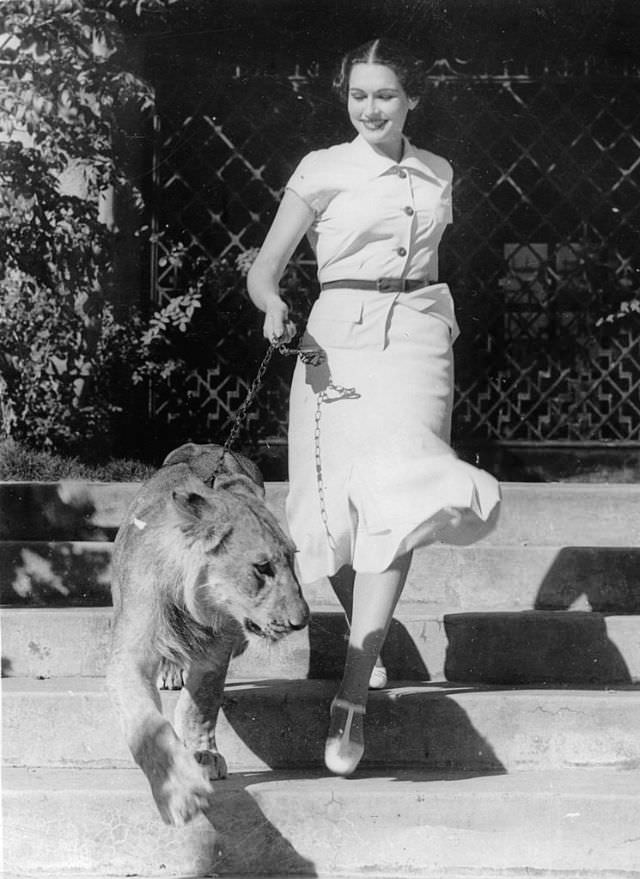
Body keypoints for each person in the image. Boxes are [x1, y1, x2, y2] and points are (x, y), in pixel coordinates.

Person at [247, 38, 500, 777]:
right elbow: (264, 268)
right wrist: (271, 305)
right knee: (328, 511)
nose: (371, 108)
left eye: (385, 95)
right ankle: (372, 637)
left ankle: (352, 694)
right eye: (359, 95)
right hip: (335, 342)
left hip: (418, 337)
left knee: (403, 485)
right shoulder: (322, 169)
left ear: (411, 99)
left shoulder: (438, 172)